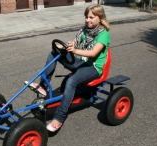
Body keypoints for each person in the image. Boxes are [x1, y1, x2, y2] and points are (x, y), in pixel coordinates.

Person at [25, 4, 110, 132]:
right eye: (86, 17)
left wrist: (75, 50)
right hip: (81, 63)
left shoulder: (103, 34)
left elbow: (93, 53)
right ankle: (44, 86)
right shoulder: (85, 31)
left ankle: (59, 118)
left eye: (91, 17)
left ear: (100, 18)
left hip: (93, 69)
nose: (88, 20)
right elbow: (74, 43)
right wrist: (65, 47)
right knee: (53, 53)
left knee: (71, 82)